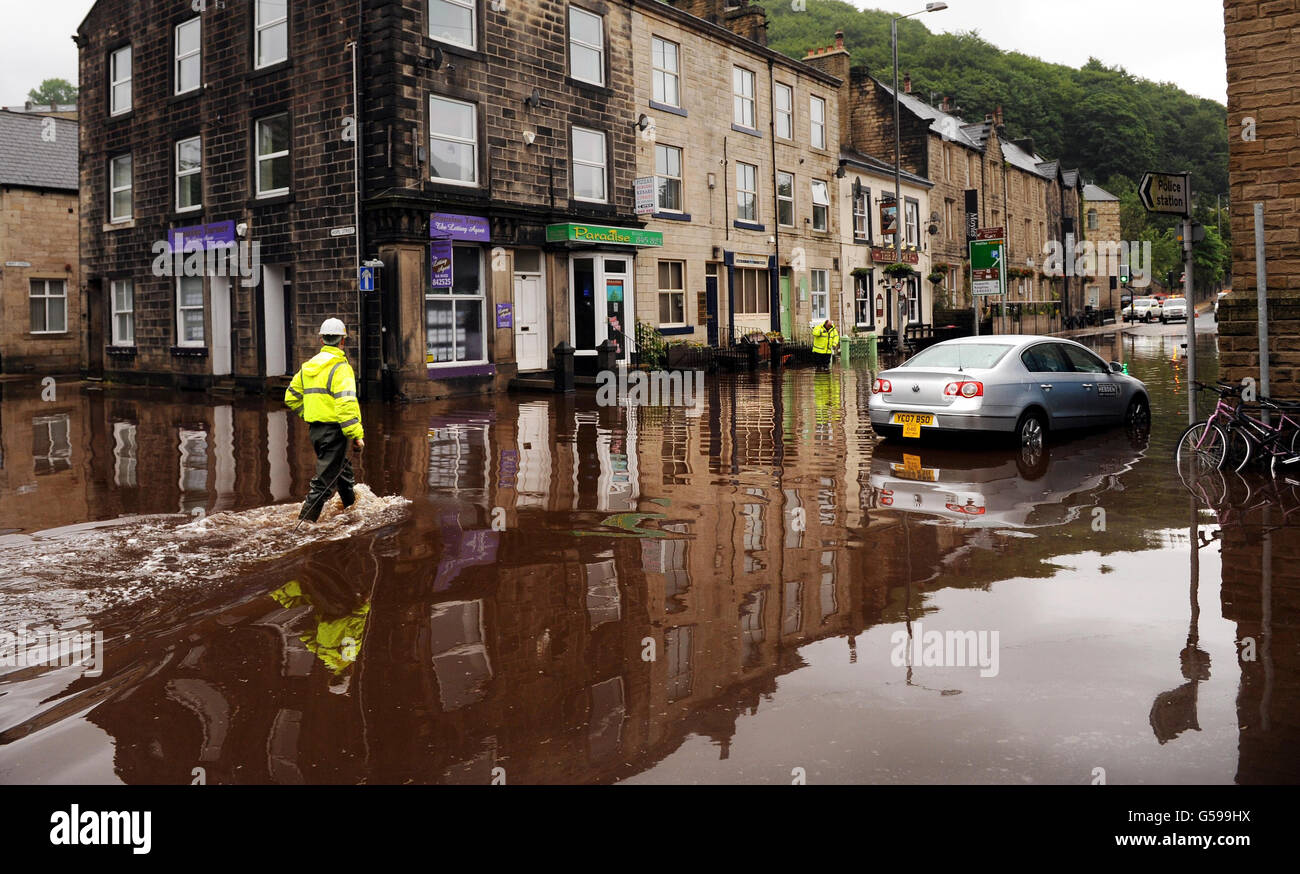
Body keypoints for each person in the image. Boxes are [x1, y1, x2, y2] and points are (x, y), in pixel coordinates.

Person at [285, 318, 364, 522]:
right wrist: (356, 435)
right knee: (322, 483)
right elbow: (346, 406)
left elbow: (290, 397)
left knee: (343, 473)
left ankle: (351, 511)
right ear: (342, 341)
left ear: (321, 340)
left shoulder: (308, 367)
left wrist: (310, 414)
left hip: (317, 431)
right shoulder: (341, 368)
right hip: (335, 432)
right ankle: (302, 528)